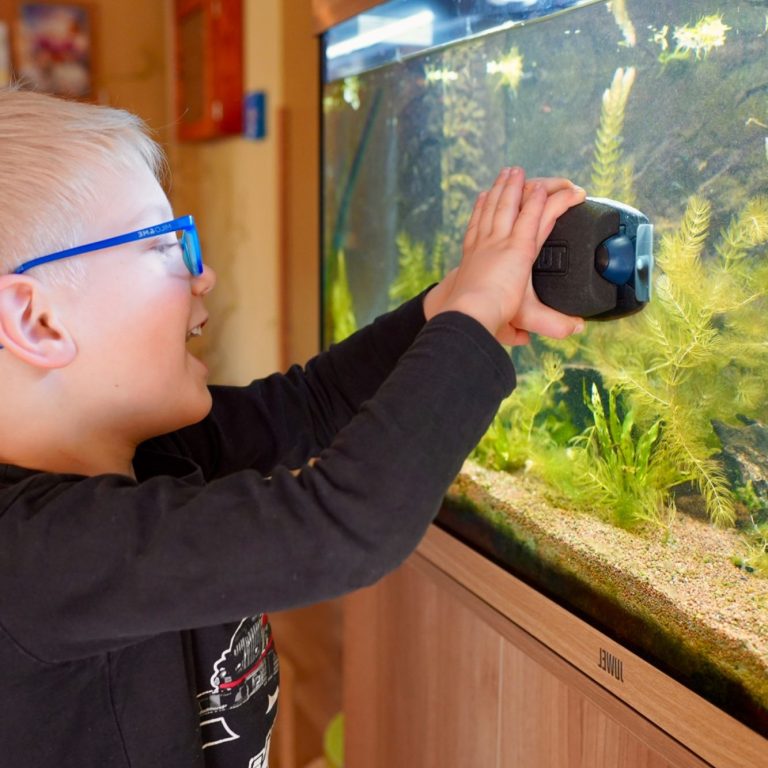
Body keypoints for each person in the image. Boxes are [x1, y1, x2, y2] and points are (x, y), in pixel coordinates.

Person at [0, 85, 585, 768]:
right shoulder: (31, 559)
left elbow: (313, 404)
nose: (203, 274)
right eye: (162, 245)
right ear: (38, 321)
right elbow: (346, 523)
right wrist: (475, 316)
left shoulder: (149, 450)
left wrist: (449, 304)